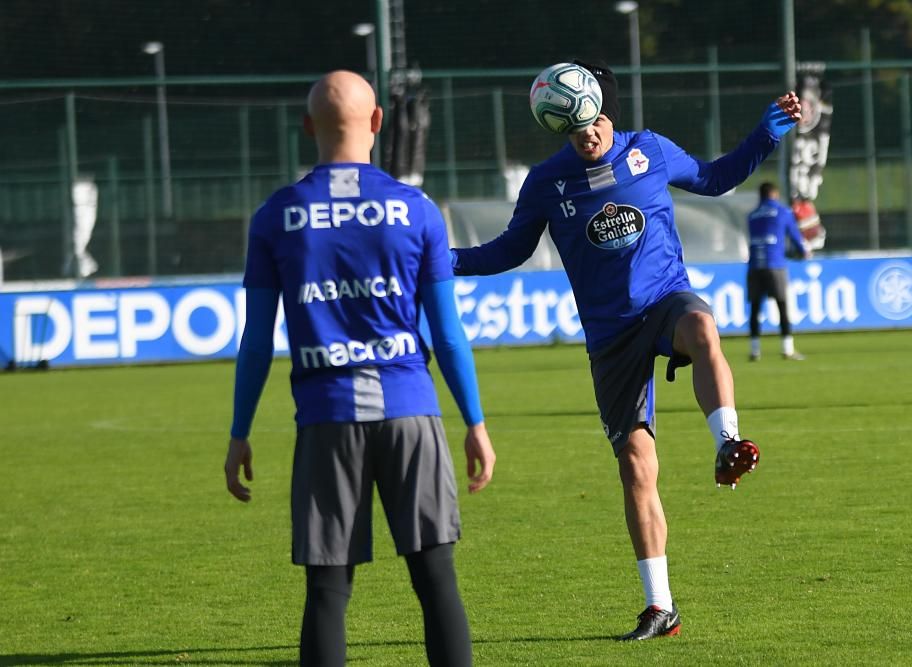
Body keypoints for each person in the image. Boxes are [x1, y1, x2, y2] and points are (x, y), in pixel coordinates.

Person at [451, 59, 801, 641]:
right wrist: (447, 259)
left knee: (703, 328)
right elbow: (509, 250)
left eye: (591, 122)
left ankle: (727, 442)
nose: (585, 136)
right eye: (572, 130)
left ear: (604, 111)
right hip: (610, 336)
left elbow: (714, 180)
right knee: (637, 468)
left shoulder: (649, 151)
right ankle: (660, 607)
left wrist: (765, 134)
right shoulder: (547, 182)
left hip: (664, 299)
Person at [224, 70, 496, 667]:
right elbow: (446, 334)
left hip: (326, 419)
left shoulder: (276, 216)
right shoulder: (417, 211)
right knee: (436, 579)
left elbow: (254, 340)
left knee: (326, 590)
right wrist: (474, 422)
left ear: (306, 128)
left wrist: (240, 432)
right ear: (377, 123)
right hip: (411, 411)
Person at [746, 181, 812, 361]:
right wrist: (804, 251)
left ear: (760, 195)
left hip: (754, 266)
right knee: (782, 305)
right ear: (774, 194)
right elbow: (795, 235)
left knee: (755, 308)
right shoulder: (783, 211)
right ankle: (787, 348)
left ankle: (755, 350)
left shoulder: (752, 215)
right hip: (775, 264)